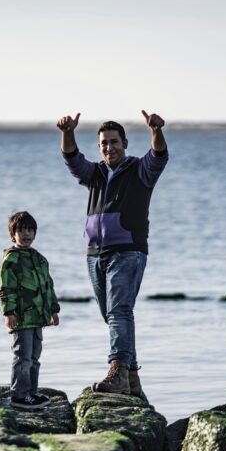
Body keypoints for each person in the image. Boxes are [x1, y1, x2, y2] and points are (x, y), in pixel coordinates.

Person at [56, 110, 168, 395]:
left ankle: (117, 371)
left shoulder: (139, 171)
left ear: (126, 143)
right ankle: (131, 380)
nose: (109, 147)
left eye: (114, 141)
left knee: (119, 312)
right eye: (104, 143)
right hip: (95, 254)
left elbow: (158, 157)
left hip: (128, 250)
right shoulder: (94, 174)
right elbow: (71, 158)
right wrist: (67, 133)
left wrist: (155, 130)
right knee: (113, 315)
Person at [0, 211, 60, 410]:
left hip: (38, 318)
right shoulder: (11, 259)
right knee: (22, 356)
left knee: (34, 357)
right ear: (13, 234)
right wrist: (9, 313)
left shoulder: (40, 259)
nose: (26, 234)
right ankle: (19, 395)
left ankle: (31, 392)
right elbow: (5, 288)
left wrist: (53, 310)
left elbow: (48, 286)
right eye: (21, 230)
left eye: (30, 230)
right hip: (21, 318)